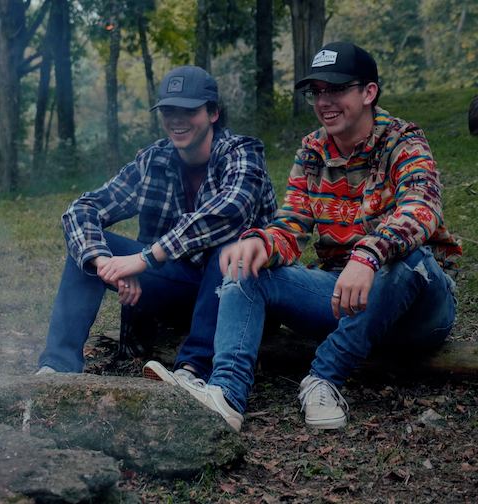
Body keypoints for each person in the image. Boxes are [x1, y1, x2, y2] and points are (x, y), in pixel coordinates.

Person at [169, 42, 461, 432]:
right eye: (317, 92)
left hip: (418, 307)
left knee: (409, 259)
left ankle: (323, 378)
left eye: (336, 89)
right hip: (343, 296)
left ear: (368, 92)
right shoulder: (311, 151)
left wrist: (368, 256)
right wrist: (261, 242)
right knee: (246, 268)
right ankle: (226, 394)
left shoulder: (403, 140)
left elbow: (422, 209)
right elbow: (291, 227)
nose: (324, 101)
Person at [36, 66, 278, 379]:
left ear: (213, 113)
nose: (177, 119)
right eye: (168, 110)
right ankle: (58, 366)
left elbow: (230, 212)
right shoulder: (155, 159)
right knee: (89, 247)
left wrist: (143, 260)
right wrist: (106, 263)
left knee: (231, 248)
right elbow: (82, 209)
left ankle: (193, 369)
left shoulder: (242, 153)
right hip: (178, 284)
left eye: (188, 110)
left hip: (238, 292)